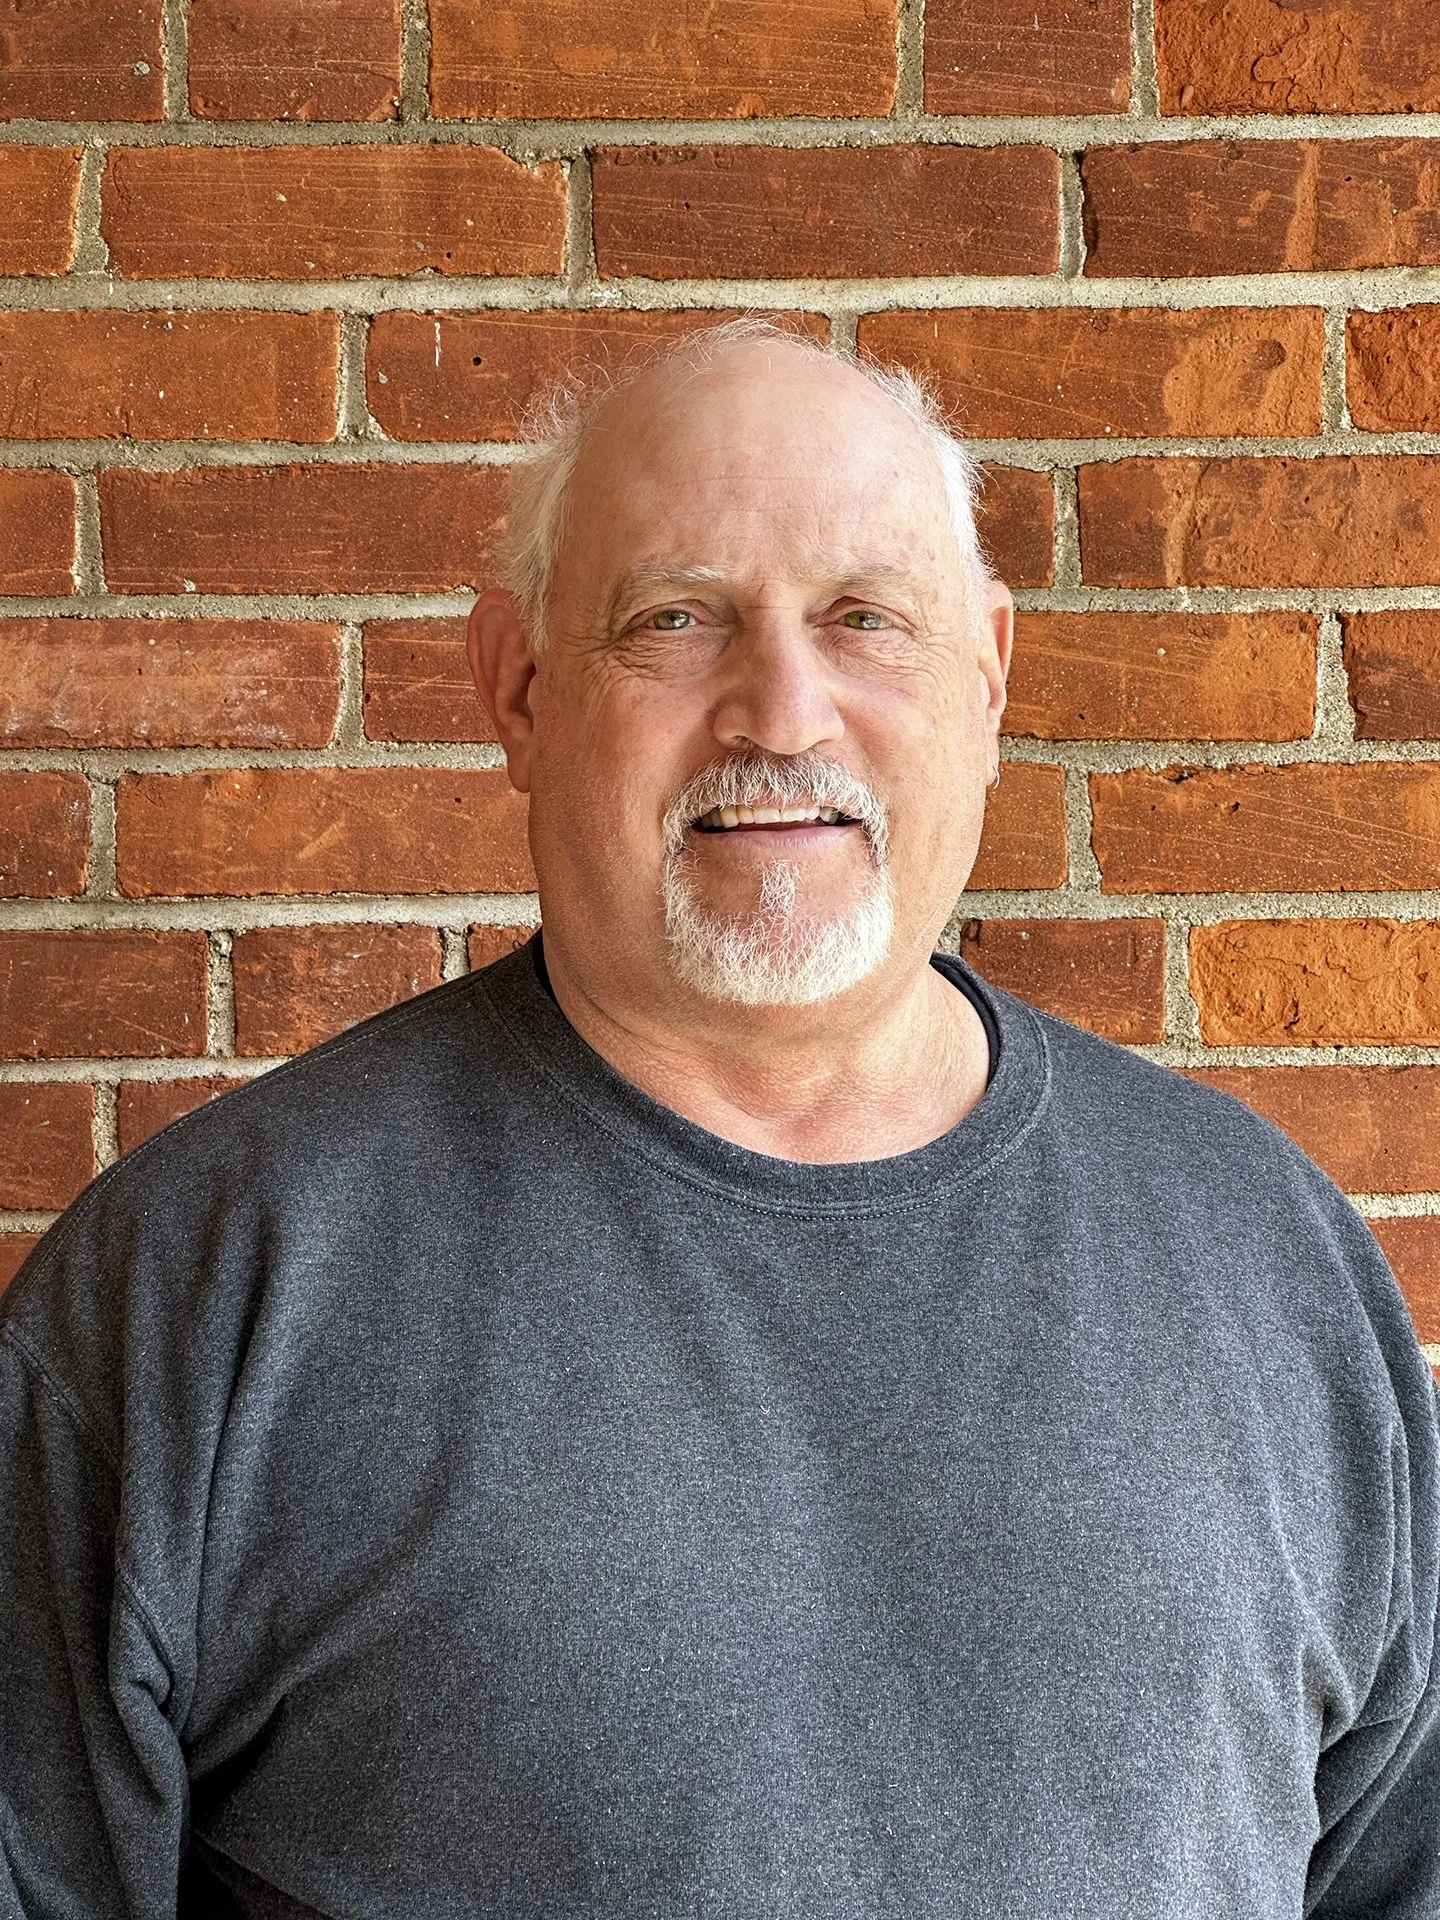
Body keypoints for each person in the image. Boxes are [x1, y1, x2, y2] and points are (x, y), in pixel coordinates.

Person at [1, 320, 1435, 1918]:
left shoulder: (1267, 1259)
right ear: (517, 687)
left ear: (989, 676)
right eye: (675, 620)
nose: (783, 713)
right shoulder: (201, 1290)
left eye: (864, 619)